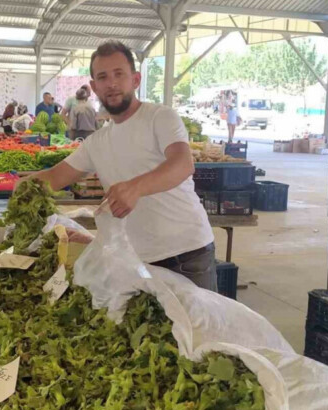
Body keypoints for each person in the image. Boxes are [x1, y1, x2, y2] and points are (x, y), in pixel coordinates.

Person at [23, 40, 216, 291]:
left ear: (135, 79)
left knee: (200, 329)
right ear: (94, 87)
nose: (112, 83)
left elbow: (182, 164)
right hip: (138, 261)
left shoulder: (160, 117)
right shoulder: (97, 142)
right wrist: (21, 187)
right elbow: (56, 177)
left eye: (119, 74)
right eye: (103, 77)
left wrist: (135, 188)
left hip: (187, 254)